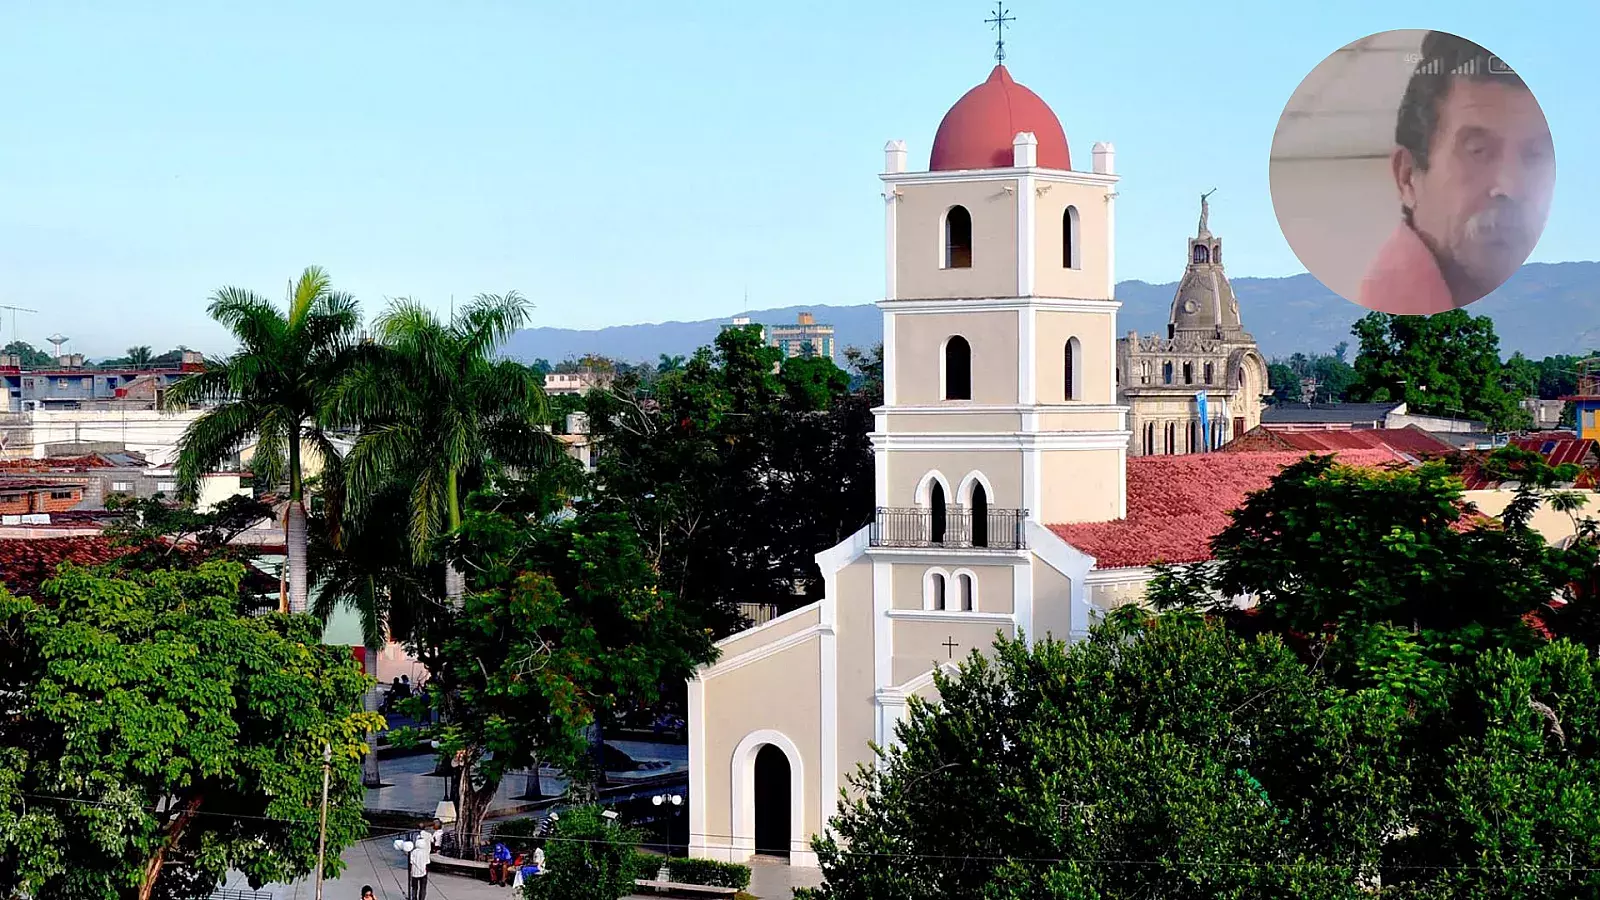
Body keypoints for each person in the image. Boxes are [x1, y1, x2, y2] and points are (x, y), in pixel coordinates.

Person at [1358, 30, 1555, 315]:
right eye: (1478, 151)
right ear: (1408, 177)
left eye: (1535, 155)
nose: (1510, 186)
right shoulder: (1393, 301)